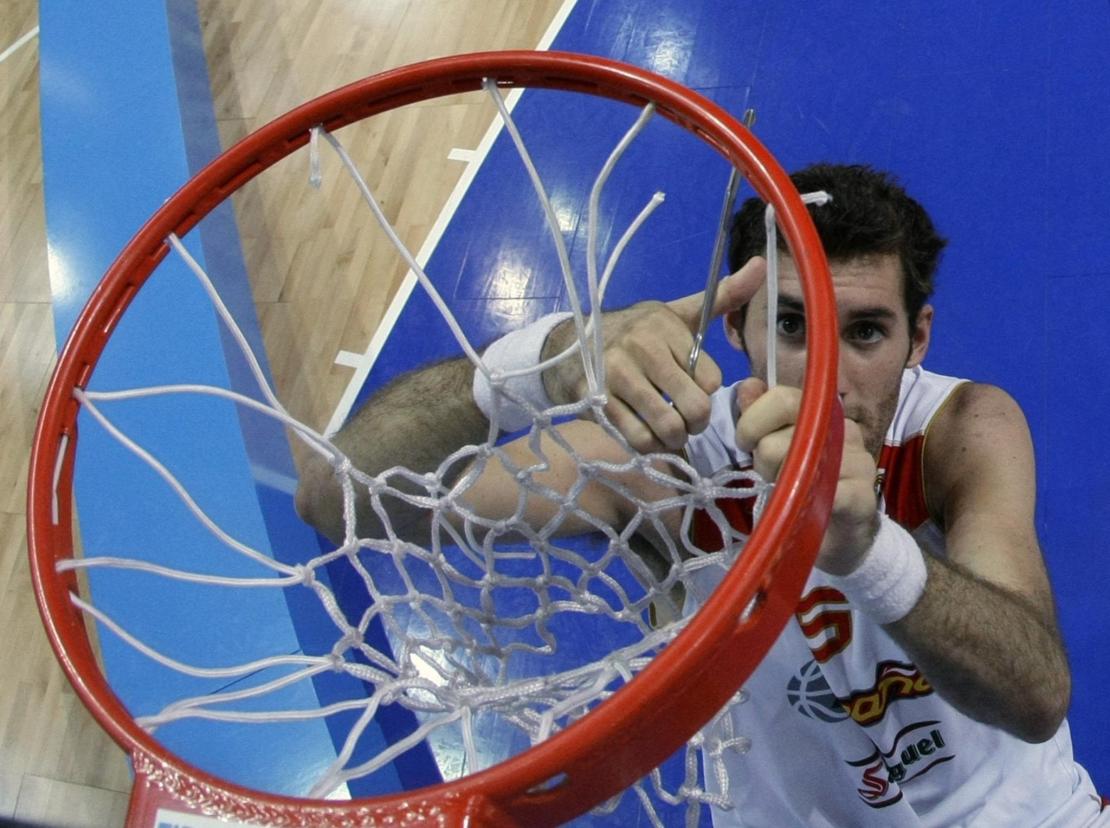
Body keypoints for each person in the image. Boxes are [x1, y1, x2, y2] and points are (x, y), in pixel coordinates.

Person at [296, 163, 1107, 825]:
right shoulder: (667, 466)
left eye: (865, 332)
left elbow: (1036, 697)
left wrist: (871, 551)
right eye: (792, 326)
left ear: (917, 338)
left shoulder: (959, 431)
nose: (828, 371)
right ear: (736, 328)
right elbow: (338, 499)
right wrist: (532, 367)